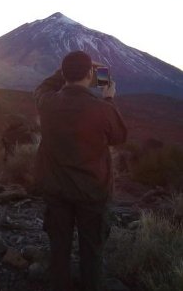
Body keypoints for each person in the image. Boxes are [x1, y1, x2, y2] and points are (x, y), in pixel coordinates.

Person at [34, 50, 127, 291]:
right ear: (90, 74)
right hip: (92, 193)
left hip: (56, 190)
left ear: (64, 75)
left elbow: (42, 87)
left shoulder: (47, 103)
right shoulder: (102, 108)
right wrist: (108, 99)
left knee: (59, 250)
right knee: (92, 253)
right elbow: (119, 136)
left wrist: (61, 72)